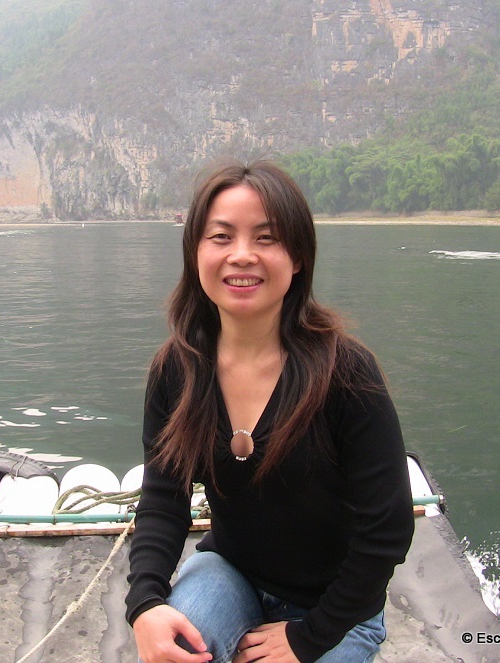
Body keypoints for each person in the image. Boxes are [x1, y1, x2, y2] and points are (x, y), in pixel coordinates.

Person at [125, 159, 414, 663]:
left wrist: (309, 637)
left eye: (266, 238)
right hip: (231, 573)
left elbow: (386, 531)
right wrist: (144, 602)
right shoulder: (178, 368)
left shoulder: (345, 372)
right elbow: (163, 499)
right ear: (196, 252)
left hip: (335, 607)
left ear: (298, 257)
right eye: (221, 237)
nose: (242, 256)